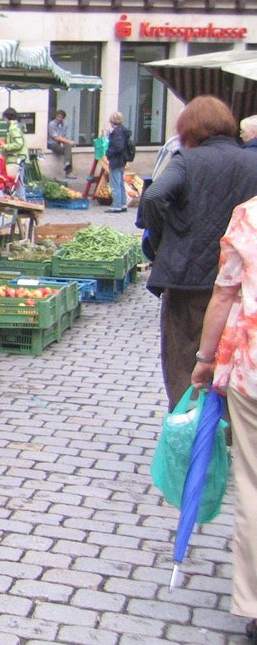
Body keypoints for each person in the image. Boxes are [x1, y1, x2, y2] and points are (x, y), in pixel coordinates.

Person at [141, 95, 257, 408]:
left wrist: (161, 242)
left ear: (188, 128)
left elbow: (153, 197)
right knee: (235, 356)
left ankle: (185, 423)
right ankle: (227, 432)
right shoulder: (252, 161)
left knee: (182, 358)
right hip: (240, 281)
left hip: (187, 278)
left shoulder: (186, 160)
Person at [190, 196, 257, 644]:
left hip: (253, 368)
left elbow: (224, 292)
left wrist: (204, 358)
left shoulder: (250, 215)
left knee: (252, 484)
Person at [104, 112, 133, 213]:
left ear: (112, 121)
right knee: (120, 183)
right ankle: (123, 204)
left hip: (116, 160)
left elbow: (118, 147)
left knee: (115, 183)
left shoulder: (117, 132)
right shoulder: (123, 131)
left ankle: (116, 205)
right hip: (122, 160)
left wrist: (108, 152)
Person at [0, 107, 28, 198]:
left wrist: (5, 146)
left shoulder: (13, 128)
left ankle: (20, 201)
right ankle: (21, 200)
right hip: (21, 157)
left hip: (16, 158)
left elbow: (19, 144)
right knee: (19, 181)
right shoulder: (18, 126)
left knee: (13, 181)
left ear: (7, 118)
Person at [47, 109, 74, 176]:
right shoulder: (51, 124)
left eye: (60, 117)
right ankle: (68, 171)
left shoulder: (65, 124)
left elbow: (66, 135)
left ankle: (67, 163)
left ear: (63, 118)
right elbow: (55, 137)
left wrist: (65, 142)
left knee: (68, 147)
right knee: (68, 149)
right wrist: (68, 142)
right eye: (57, 117)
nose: (58, 119)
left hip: (62, 143)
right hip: (53, 144)